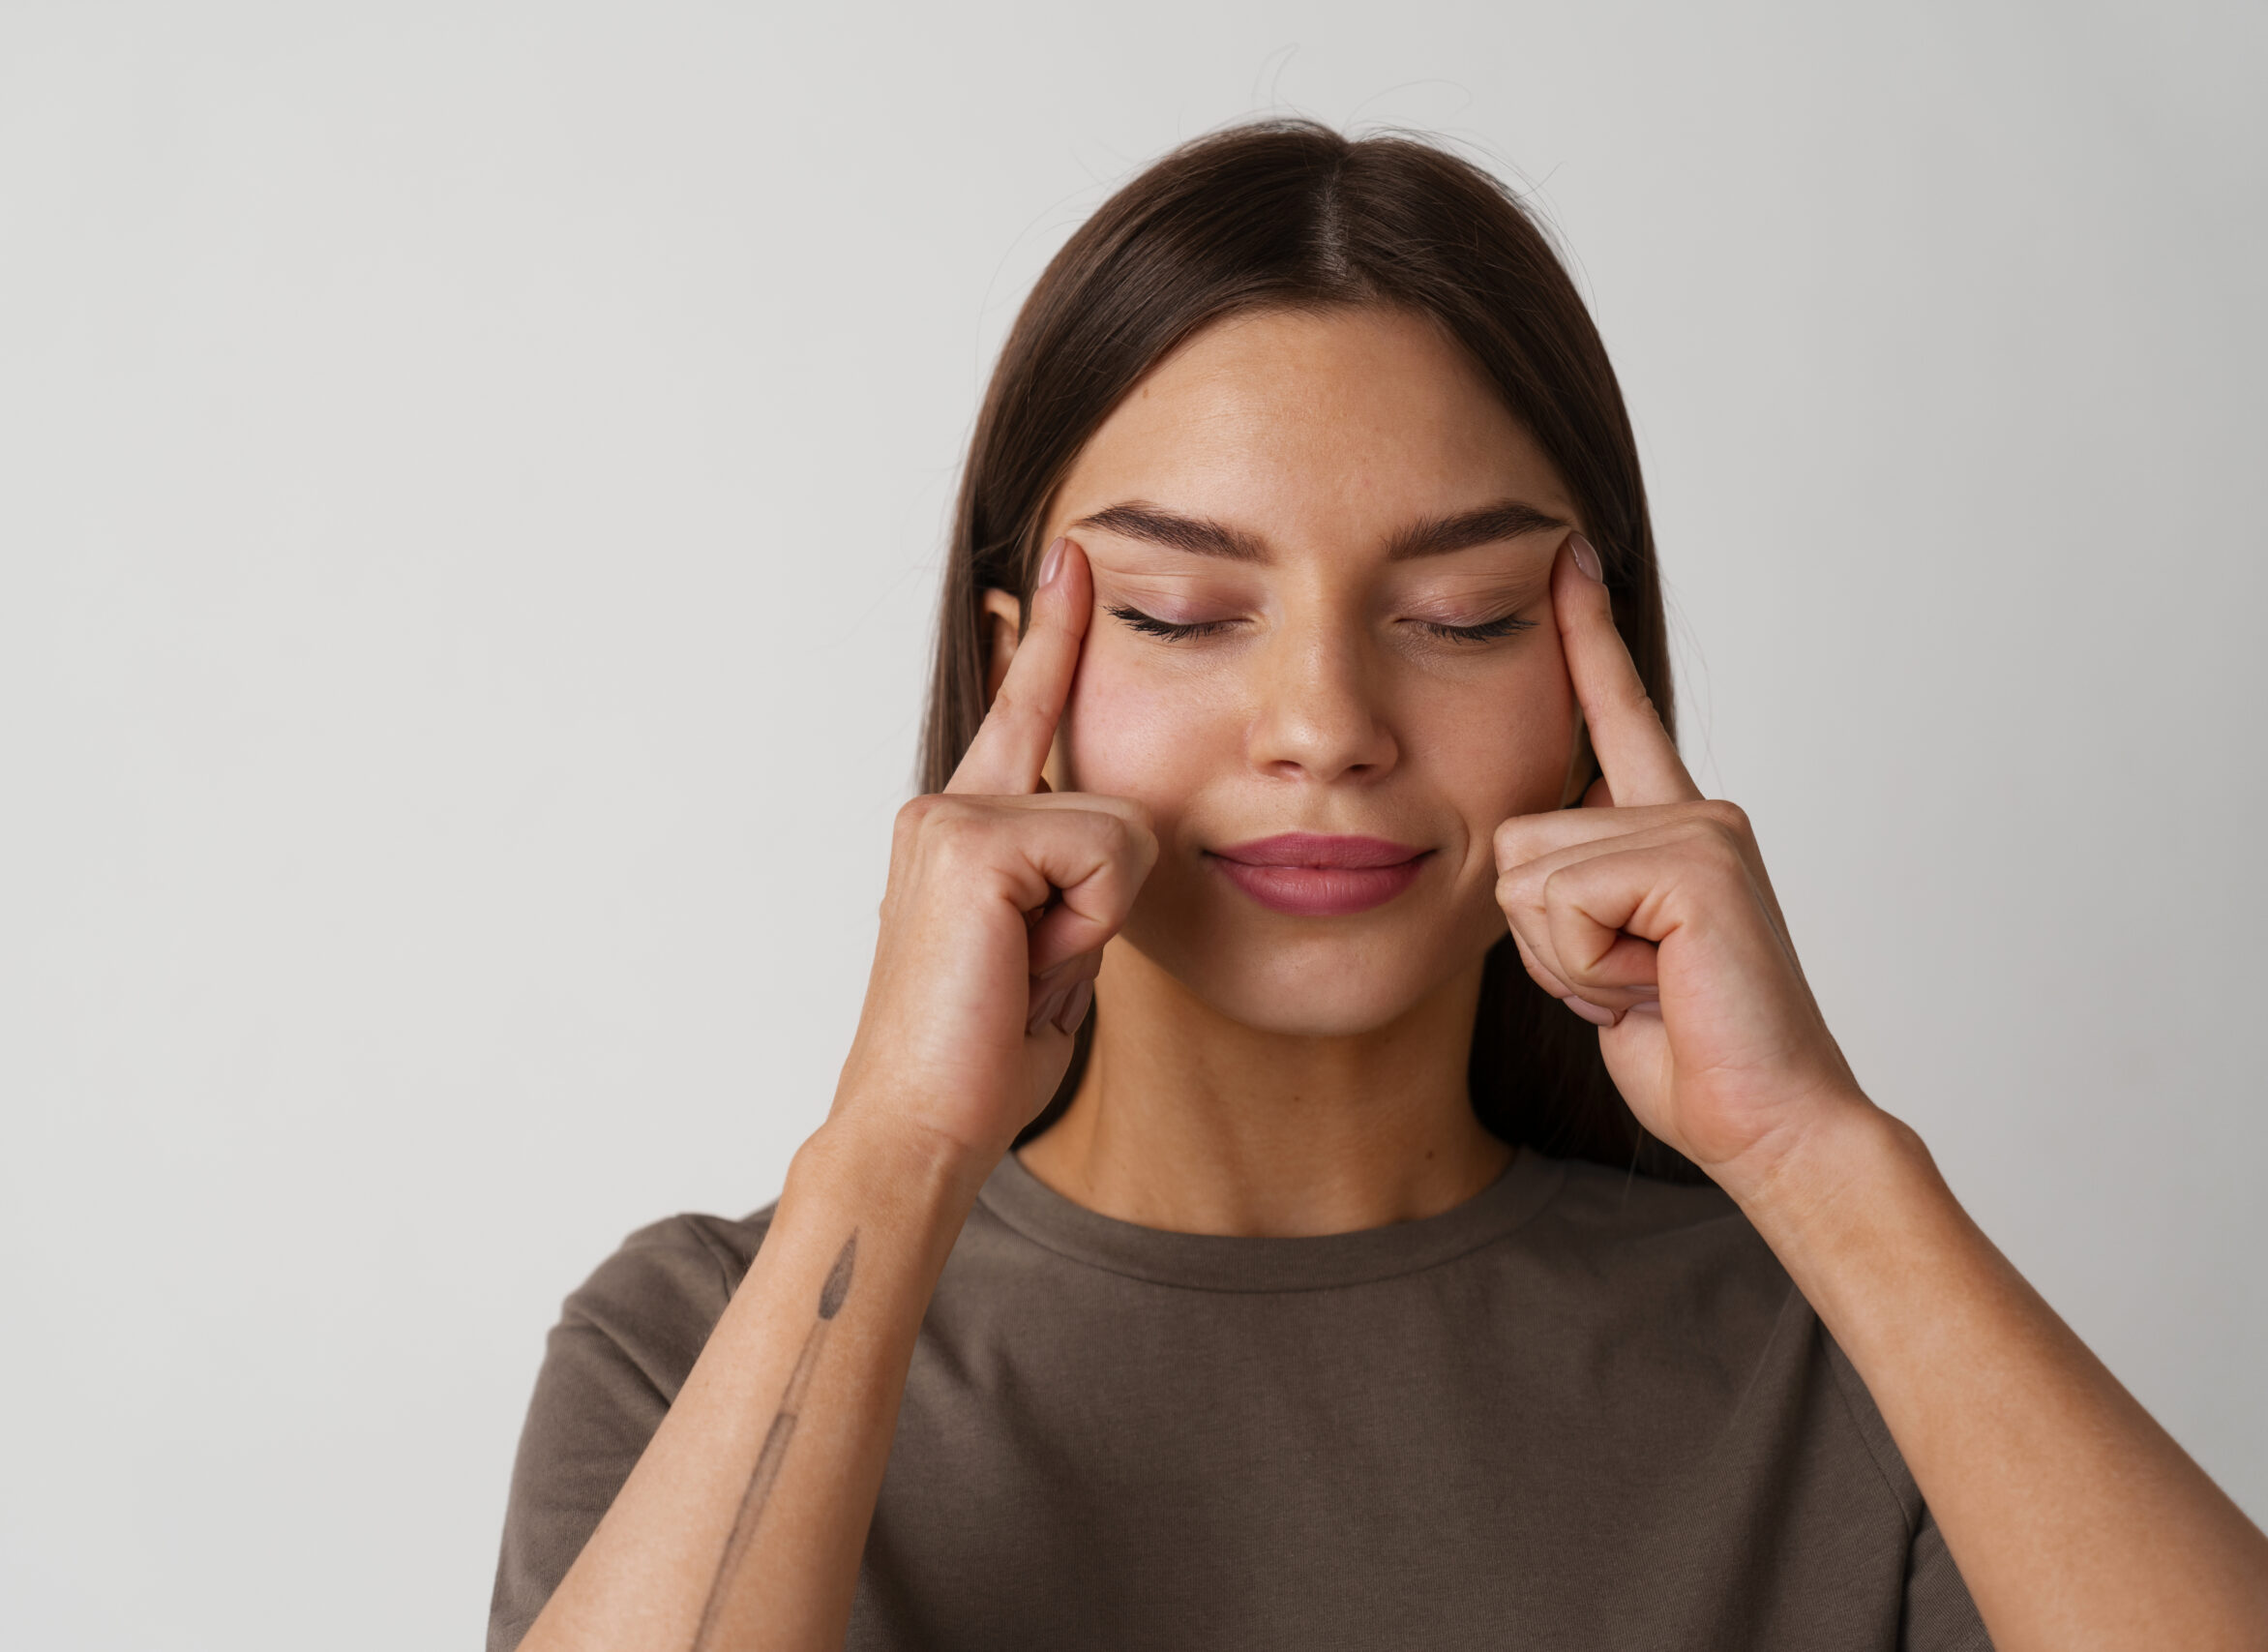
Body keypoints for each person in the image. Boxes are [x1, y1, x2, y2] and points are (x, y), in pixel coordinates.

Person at [487, 121, 2268, 1652]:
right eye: (1186, 617)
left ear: (1597, 688)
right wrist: (890, 1146)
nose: (1325, 725)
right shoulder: (694, 1349)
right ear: (1020, 679)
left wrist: (1821, 1158)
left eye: (1464, 617)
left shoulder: (1856, 1366)